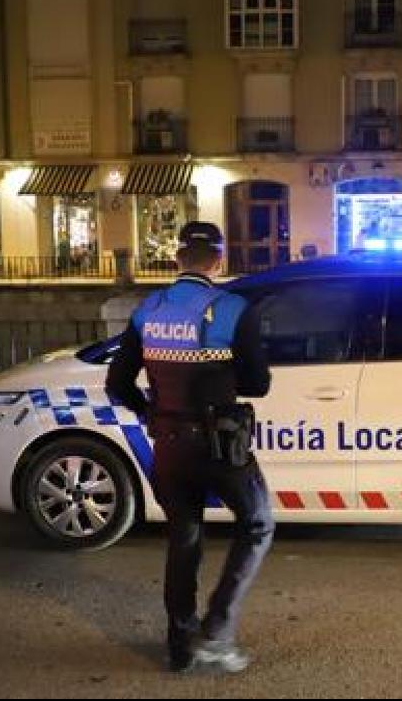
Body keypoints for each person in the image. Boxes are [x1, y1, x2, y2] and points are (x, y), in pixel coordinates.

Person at [107, 221, 273, 674]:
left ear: (178, 259)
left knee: (184, 539)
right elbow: (258, 384)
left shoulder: (148, 310)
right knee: (257, 523)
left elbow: (117, 383)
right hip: (220, 445)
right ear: (217, 260)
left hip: (168, 446)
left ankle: (179, 647)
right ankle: (217, 634)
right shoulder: (235, 308)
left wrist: (151, 413)